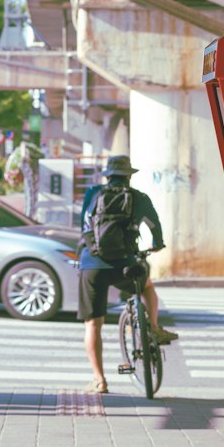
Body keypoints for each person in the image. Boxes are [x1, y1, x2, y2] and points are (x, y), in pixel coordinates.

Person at [78, 154, 177, 395]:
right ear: (129, 176)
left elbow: (83, 225)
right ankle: (152, 326)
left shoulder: (93, 193)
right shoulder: (139, 198)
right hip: (126, 263)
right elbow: (155, 227)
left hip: (93, 266)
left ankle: (99, 380)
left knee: (93, 324)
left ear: (108, 176)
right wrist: (157, 244)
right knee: (147, 287)